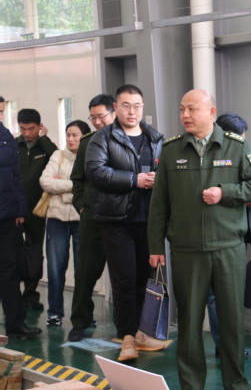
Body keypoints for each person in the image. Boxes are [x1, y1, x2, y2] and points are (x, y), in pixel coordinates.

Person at [148, 90, 251, 390]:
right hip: (186, 251)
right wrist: (155, 247)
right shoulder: (171, 150)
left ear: (211, 112)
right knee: (188, 325)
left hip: (228, 248)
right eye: (182, 109)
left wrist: (225, 193)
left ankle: (235, 384)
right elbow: (159, 204)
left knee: (231, 323)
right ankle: (191, 385)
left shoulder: (236, 146)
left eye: (192, 109)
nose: (185, 115)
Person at [85, 84, 166, 361]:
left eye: (137, 106)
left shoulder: (155, 138)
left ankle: (142, 332)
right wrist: (135, 180)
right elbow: (96, 172)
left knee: (145, 280)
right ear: (116, 108)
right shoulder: (102, 138)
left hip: (149, 221)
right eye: (126, 105)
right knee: (124, 280)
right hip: (117, 221)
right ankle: (127, 337)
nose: (132, 111)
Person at [207, 112, 251, 360]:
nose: (241, 142)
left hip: (236, 234)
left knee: (231, 295)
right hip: (212, 235)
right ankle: (224, 345)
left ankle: (231, 345)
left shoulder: (241, 155)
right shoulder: (208, 157)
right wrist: (236, 195)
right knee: (214, 295)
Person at [68, 94, 116, 341]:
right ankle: (80, 322)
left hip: (120, 219)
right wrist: (81, 206)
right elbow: (77, 179)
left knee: (123, 275)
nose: (97, 122)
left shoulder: (127, 139)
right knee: (85, 273)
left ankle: (127, 326)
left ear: (114, 112)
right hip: (91, 217)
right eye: (93, 117)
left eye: (101, 116)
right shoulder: (86, 143)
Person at [39, 120, 91, 327]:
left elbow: (91, 188)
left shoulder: (91, 157)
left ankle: (84, 314)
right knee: (55, 269)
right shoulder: (57, 156)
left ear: (84, 137)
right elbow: (45, 182)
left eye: (75, 135)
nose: (70, 139)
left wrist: (62, 191)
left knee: (83, 270)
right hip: (56, 221)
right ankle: (54, 313)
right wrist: (76, 186)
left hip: (81, 220)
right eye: (68, 134)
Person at [0, 96, 42, 339]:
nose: (0, 115)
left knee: (9, 270)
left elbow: (16, 176)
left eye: (1, 111)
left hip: (6, 215)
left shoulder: (6, 136)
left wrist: (19, 211)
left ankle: (16, 324)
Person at [16, 108, 58, 310]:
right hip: (13, 210)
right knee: (12, 252)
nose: (27, 133)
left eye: (31, 129)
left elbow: (58, 159)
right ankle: (11, 294)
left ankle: (30, 295)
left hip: (36, 210)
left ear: (40, 127)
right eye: (23, 129)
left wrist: (44, 139)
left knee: (34, 252)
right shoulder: (13, 145)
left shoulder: (44, 146)